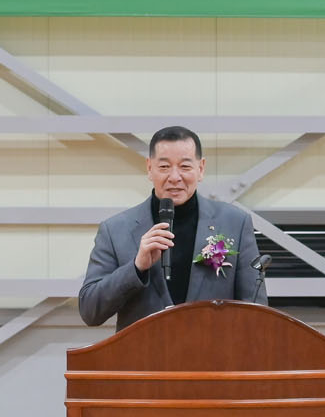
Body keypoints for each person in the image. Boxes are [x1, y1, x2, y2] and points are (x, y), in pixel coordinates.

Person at [78, 125, 266, 330]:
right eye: (164, 167)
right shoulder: (115, 229)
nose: (175, 177)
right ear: (149, 168)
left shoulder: (234, 223)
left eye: (185, 166)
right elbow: (90, 311)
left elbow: (256, 312)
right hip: (143, 349)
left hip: (212, 348)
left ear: (201, 168)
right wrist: (136, 268)